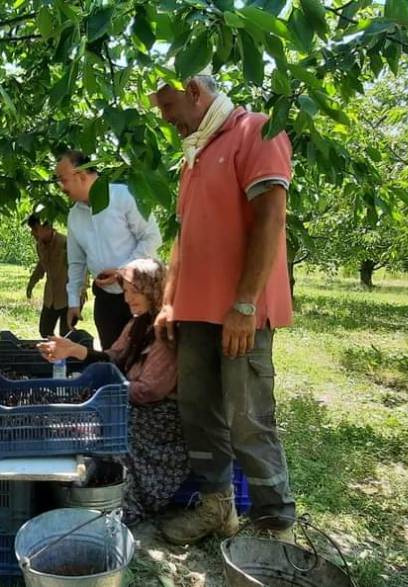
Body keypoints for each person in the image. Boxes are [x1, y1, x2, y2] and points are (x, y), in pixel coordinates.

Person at [150, 73, 296, 543]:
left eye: (168, 106)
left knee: (248, 418)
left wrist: (246, 303)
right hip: (195, 313)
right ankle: (217, 510)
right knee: (200, 412)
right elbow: (184, 237)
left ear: (194, 92)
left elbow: (270, 217)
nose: (166, 118)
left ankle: (276, 530)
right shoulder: (194, 153)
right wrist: (170, 301)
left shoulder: (256, 130)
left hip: (239, 313)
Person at [39, 259, 188, 525]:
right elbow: (114, 357)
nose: (128, 299)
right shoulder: (138, 324)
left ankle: (123, 500)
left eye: (134, 292)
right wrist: (73, 350)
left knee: (102, 426)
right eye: (126, 292)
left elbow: (150, 391)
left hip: (158, 420)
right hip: (133, 403)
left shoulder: (165, 332)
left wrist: (108, 393)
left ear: (154, 290)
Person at [54, 150, 162, 349]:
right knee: (112, 355)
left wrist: (123, 271)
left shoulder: (123, 196)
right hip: (105, 300)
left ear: (82, 175)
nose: (61, 187)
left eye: (63, 180)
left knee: (142, 355)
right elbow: (77, 262)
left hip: (139, 294)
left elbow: (152, 238)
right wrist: (73, 302)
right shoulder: (74, 215)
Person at [25, 215, 73, 338]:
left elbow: (79, 271)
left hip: (68, 297)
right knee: (45, 331)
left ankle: (71, 354)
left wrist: (79, 296)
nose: (32, 233)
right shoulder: (39, 246)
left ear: (47, 228)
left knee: (66, 334)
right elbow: (41, 265)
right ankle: (53, 354)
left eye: (35, 229)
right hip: (50, 297)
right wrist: (31, 283)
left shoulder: (66, 244)